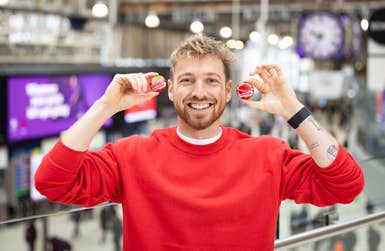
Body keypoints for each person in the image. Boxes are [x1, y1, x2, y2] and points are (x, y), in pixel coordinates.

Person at [34, 34, 364, 251]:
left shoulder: (268, 155)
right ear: (173, 89)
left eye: (211, 81)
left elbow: (346, 185)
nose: (200, 92)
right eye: (188, 80)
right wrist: (105, 106)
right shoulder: (131, 155)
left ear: (227, 89)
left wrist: (293, 109)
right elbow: (51, 182)